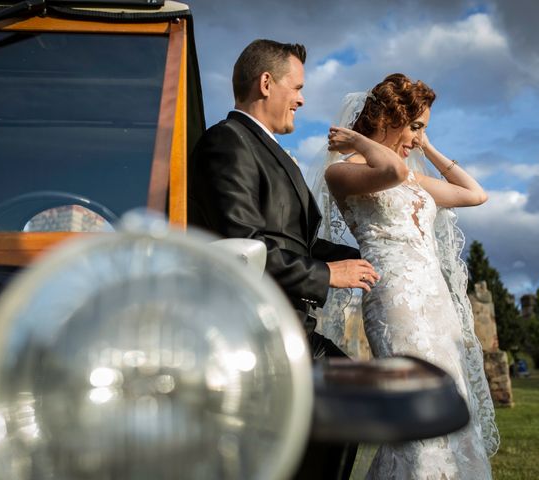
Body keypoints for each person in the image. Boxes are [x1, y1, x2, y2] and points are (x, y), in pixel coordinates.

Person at [188, 39, 379, 479]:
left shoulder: (270, 151)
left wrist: (373, 256)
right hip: (254, 329)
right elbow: (242, 243)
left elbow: (301, 243)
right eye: (297, 86)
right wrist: (326, 274)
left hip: (285, 323)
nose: (302, 98)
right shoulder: (227, 142)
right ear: (266, 82)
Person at [313, 73, 500, 479]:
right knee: (415, 413)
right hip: (396, 302)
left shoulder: (413, 176)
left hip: (436, 302)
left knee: (450, 403)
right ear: (387, 118)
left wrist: (426, 143)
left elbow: (474, 194)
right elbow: (393, 173)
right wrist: (362, 141)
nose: (417, 138)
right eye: (414, 126)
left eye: (423, 129)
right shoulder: (342, 173)